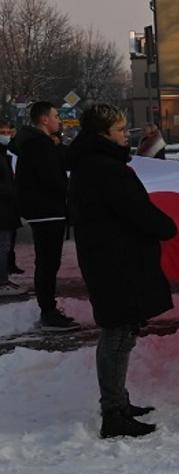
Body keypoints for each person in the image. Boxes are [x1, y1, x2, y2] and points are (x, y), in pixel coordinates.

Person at [67, 104, 179, 439]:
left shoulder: (89, 165)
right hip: (117, 263)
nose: (124, 136)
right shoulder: (108, 170)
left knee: (121, 332)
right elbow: (138, 213)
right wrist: (167, 227)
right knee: (117, 336)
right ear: (103, 133)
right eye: (119, 130)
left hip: (109, 260)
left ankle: (118, 401)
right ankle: (113, 412)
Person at [10, 101, 79, 330]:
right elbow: (52, 178)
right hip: (47, 211)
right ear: (44, 119)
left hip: (43, 210)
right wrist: (69, 193)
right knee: (48, 263)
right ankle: (48, 312)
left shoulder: (35, 143)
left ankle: (48, 309)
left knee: (48, 263)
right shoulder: (39, 146)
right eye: (56, 115)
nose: (59, 119)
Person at [0, 131, 24, 300]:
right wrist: (13, 191)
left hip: (7, 208)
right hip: (3, 208)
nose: (7, 135)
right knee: (3, 246)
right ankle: (2, 282)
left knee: (5, 245)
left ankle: (4, 279)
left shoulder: (6, 154)